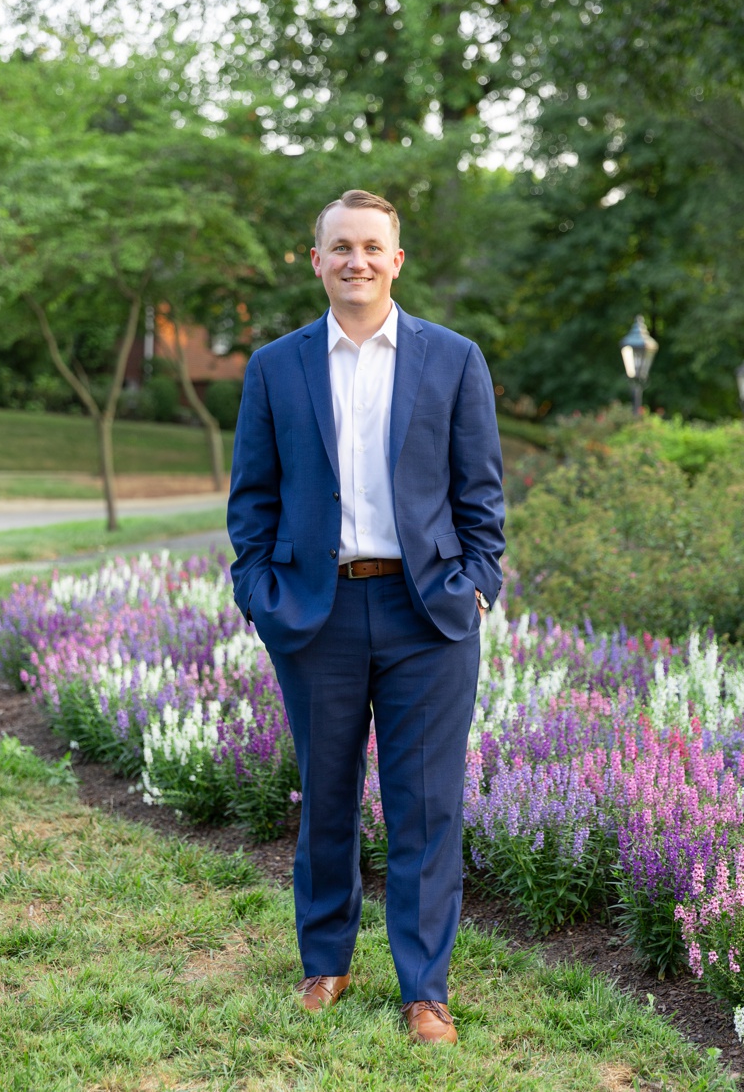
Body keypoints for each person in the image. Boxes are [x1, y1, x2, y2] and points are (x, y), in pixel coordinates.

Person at [225, 189, 504, 1045]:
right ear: (316, 261)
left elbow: (480, 494)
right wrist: (262, 596)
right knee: (330, 795)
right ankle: (326, 963)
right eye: (339, 247)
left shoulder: (453, 359)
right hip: (318, 612)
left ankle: (425, 989)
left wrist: (477, 585)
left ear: (396, 259)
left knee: (426, 805)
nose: (356, 260)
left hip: (429, 615)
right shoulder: (277, 366)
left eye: (371, 247)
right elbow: (253, 500)